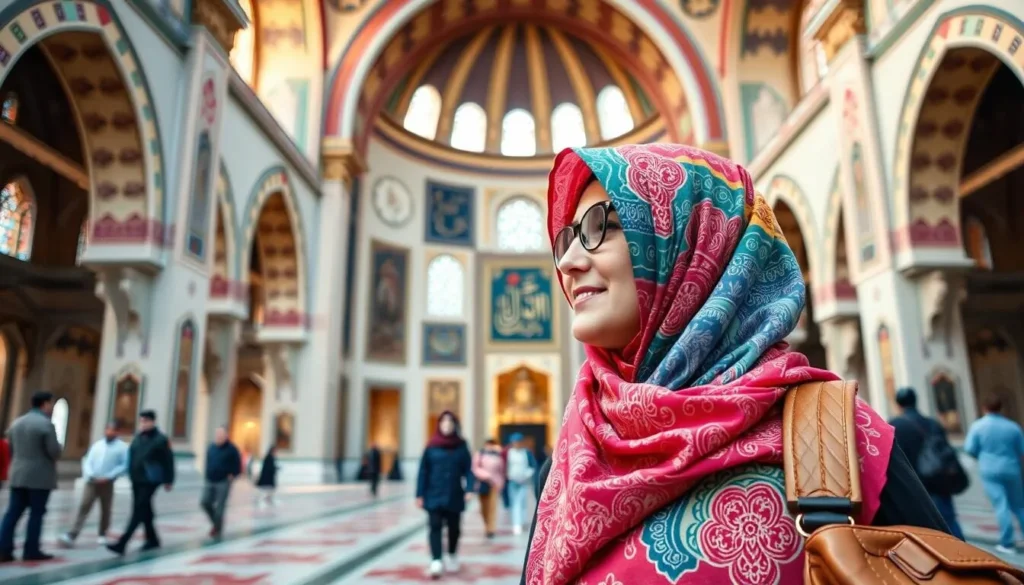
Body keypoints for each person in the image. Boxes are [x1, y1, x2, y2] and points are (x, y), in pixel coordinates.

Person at [521, 144, 949, 584]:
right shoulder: (575, 456)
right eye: (566, 239)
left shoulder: (833, 435)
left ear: (691, 242)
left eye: (602, 227)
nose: (569, 262)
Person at [889, 386, 966, 540]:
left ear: (898, 404)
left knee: (924, 532)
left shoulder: (895, 425)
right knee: (949, 522)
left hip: (914, 485)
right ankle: (963, 554)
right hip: (938, 480)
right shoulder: (932, 423)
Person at [0, 392, 62, 562]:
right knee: (36, 513)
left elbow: (10, 447)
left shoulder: (17, 422)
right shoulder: (45, 425)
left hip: (18, 474)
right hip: (39, 477)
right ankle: (31, 550)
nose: (52, 407)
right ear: (45, 404)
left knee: (13, 512)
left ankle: (4, 549)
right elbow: (54, 452)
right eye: (51, 403)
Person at [107, 410, 175, 555]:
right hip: (136, 479)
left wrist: (169, 480)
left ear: (152, 422)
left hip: (150, 480)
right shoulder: (138, 438)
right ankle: (153, 540)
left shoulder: (160, 439)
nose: (143, 424)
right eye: (141, 421)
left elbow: (168, 460)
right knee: (146, 510)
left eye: (146, 421)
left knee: (138, 510)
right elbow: (132, 456)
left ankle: (122, 543)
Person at [416, 411, 473, 579]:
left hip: (454, 494)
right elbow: (423, 471)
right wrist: (419, 494)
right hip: (433, 494)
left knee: (454, 528)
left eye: (450, 422)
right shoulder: (431, 446)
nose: (447, 425)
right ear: (439, 425)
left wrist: (469, 489)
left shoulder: (461, 446)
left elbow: (468, 470)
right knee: (434, 527)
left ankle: (452, 553)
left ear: (455, 425)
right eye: (444, 422)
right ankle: (436, 560)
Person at [965, 393, 1024, 554]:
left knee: (1001, 505)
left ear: (984, 408)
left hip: (989, 469)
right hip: (1012, 468)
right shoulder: (1013, 426)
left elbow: (970, 448)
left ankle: (1007, 543)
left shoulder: (978, 426)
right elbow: (1021, 450)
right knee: (1019, 505)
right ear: (1001, 408)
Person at [59, 421, 129, 547]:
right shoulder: (98, 445)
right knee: (84, 506)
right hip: (91, 481)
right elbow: (88, 460)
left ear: (118, 432)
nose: (109, 432)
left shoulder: (122, 447)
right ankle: (73, 534)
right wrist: (90, 474)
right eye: (107, 429)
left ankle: (102, 534)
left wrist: (109, 477)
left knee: (105, 509)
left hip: (107, 483)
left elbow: (124, 465)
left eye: (112, 430)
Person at [201, 426, 241, 539]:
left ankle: (217, 529)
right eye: (217, 434)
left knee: (220, 507)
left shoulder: (232, 449)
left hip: (223, 481)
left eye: (221, 434)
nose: (218, 436)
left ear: (226, 435)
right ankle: (216, 524)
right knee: (204, 502)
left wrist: (233, 475)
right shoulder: (211, 447)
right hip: (210, 479)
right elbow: (208, 461)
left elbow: (237, 466)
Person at [471, 438, 506, 538]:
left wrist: (501, 482)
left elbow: (501, 471)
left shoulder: (498, 456)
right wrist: (487, 476)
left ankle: (491, 528)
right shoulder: (479, 455)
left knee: (492, 507)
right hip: (482, 483)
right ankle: (486, 524)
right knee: (484, 507)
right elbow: (475, 468)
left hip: (494, 484)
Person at [504, 433, 536, 535]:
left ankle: (521, 522)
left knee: (521, 502)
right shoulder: (509, 452)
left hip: (524, 481)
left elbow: (533, 466)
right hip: (512, 481)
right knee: (515, 502)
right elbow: (505, 465)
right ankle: (516, 523)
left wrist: (526, 475)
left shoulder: (526, 453)